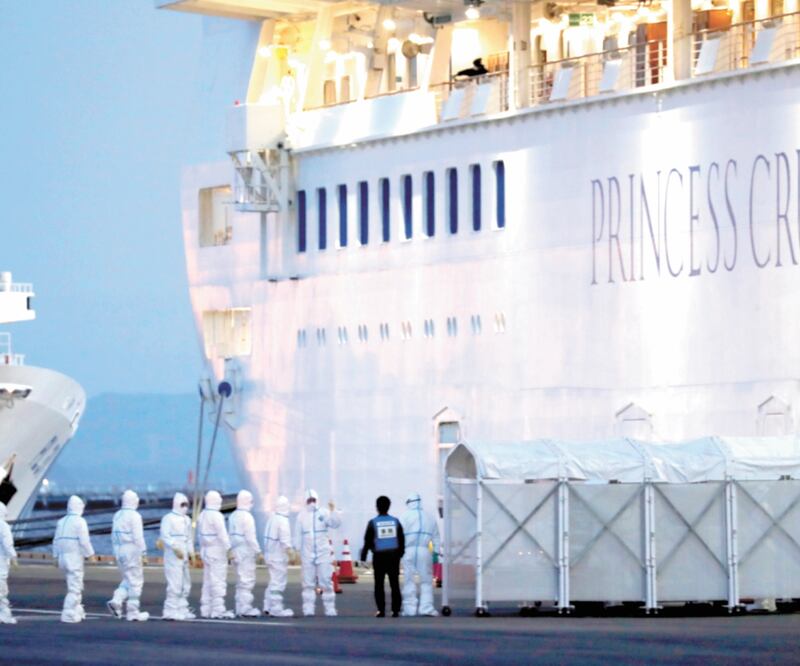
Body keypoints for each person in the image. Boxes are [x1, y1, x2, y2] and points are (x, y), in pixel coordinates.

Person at [293, 489, 341, 617]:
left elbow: (335, 524)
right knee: (308, 583)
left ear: (317, 500)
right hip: (307, 553)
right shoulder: (301, 516)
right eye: (309, 500)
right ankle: (308, 608)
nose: (311, 503)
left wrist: (333, 511)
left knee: (326, 581)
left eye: (313, 500)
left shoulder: (324, 512)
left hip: (323, 553)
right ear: (305, 501)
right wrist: (296, 549)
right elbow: (297, 534)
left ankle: (330, 608)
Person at [107, 490, 149, 621]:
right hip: (131, 550)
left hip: (119, 550)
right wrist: (143, 552)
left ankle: (116, 600)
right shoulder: (134, 516)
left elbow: (113, 535)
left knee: (127, 579)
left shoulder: (117, 515)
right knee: (136, 581)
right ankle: (133, 612)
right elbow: (138, 537)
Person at [360, 495, 405, 617]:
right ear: (389, 507)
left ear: (377, 507)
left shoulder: (373, 522)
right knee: (394, 584)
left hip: (379, 557)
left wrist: (363, 557)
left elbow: (367, 541)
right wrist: (400, 554)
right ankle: (395, 610)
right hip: (393, 557)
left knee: (379, 584)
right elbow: (401, 539)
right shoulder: (395, 522)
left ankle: (381, 610)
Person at [52, 496, 94, 623]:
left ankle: (77, 609)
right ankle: (68, 612)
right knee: (75, 586)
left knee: (73, 584)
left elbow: (56, 540)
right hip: (74, 557)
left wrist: (55, 556)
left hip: (62, 557)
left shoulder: (61, 521)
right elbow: (84, 541)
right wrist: (90, 554)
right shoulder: (80, 521)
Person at [400, 492, 441, 616]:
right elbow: (436, 537)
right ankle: (426, 608)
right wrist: (436, 552)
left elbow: (399, 535)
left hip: (408, 550)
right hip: (424, 550)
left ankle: (409, 609)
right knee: (426, 581)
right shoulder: (429, 516)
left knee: (408, 580)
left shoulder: (404, 516)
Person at [197, 489, 233, 619]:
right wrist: (229, 549)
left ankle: (205, 608)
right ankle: (218, 609)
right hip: (217, 551)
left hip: (206, 551)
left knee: (207, 581)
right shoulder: (217, 516)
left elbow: (199, 536)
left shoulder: (202, 515)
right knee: (218, 581)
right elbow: (222, 535)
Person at [159, 492, 195, 621]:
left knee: (186, 583)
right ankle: (170, 610)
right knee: (175, 583)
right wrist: (174, 547)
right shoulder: (168, 518)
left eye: (187, 504)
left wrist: (191, 553)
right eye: (183, 504)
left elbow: (189, 538)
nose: (185, 507)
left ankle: (182, 608)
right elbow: (165, 536)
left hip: (184, 554)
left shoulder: (187, 519)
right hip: (173, 556)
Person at [228, 489, 261, 617]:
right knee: (247, 580)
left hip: (236, 551)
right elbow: (250, 537)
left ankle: (240, 606)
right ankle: (245, 608)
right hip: (245, 551)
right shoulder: (247, 517)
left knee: (240, 580)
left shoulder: (233, 515)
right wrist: (258, 551)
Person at [263, 495, 294, 617]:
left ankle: (268, 605)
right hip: (278, 556)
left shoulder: (272, 518)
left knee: (272, 581)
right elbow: (285, 540)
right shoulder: (283, 520)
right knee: (278, 582)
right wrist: (291, 552)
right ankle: (276, 608)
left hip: (269, 555)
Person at [0, 500, 17, 624]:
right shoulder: (3, 526)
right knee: (1, 590)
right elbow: (7, 544)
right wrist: (13, 557)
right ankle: (4, 614)